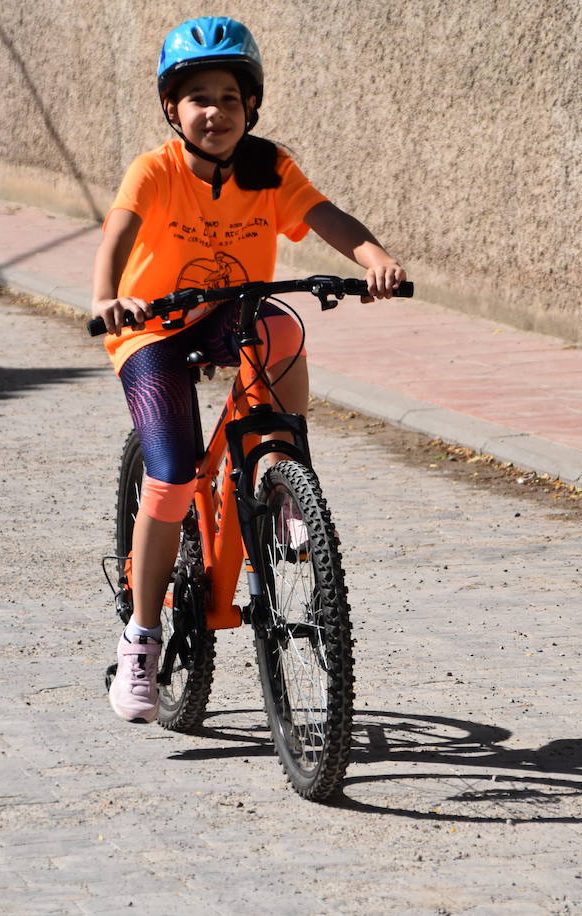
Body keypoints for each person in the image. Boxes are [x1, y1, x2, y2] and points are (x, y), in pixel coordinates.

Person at [93, 16, 406, 723]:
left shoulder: (269, 169)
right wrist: (108, 297)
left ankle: (285, 481)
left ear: (252, 107)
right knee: (171, 477)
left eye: (231, 97)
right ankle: (142, 638)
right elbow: (118, 232)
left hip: (229, 315)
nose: (216, 111)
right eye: (198, 97)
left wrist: (374, 258)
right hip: (153, 332)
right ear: (173, 108)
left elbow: (325, 216)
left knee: (281, 327)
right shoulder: (155, 171)